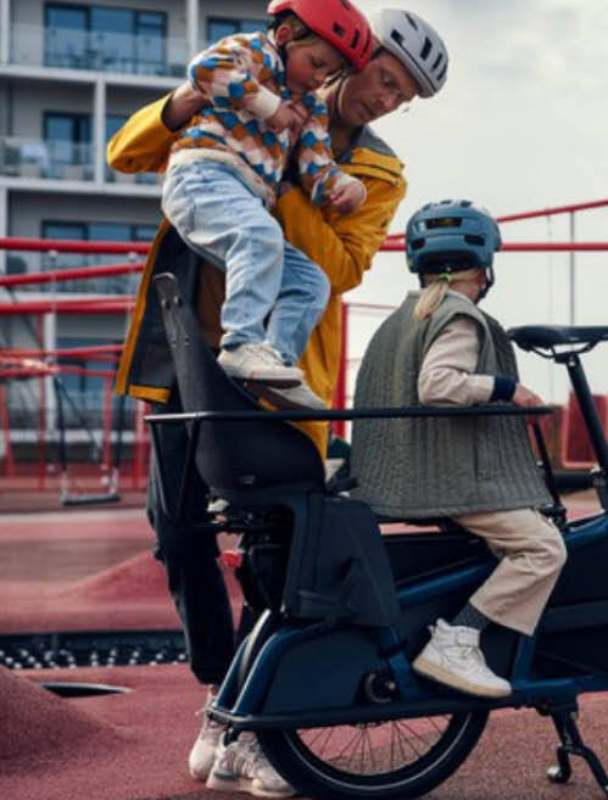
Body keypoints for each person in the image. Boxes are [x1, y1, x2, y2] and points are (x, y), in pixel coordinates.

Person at [109, 8, 450, 796]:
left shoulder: (380, 171)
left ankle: (261, 723)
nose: (387, 101)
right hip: (185, 358)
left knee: (277, 549)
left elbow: (345, 265)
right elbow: (127, 153)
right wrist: (191, 111)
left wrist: (295, 171)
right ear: (349, 57)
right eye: (387, 81)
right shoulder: (251, 86)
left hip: (278, 368)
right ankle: (221, 704)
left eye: (404, 98)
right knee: (179, 531)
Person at [351, 200, 566, 699]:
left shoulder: (402, 318)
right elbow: (439, 385)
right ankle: (459, 638)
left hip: (399, 474)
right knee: (543, 547)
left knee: (526, 536)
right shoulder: (458, 316)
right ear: (485, 267)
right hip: (445, 479)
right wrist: (506, 388)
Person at [162, 0, 372, 410]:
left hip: (246, 199)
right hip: (203, 176)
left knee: (311, 284)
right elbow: (204, 70)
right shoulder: (255, 52)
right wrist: (267, 104)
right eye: (316, 63)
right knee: (260, 235)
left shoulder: (309, 107)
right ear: (285, 37)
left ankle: (271, 365)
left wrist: (346, 186)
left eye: (328, 73)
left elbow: (317, 165)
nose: (319, 78)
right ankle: (241, 344)